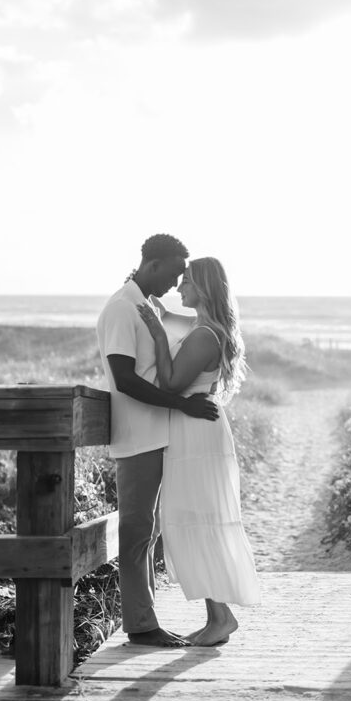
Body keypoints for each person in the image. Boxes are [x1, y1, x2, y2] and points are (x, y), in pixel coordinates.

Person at [96, 234, 219, 649]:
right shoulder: (121, 308)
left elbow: (195, 333)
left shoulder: (149, 306)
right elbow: (125, 379)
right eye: (173, 272)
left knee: (146, 533)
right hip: (136, 434)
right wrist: (181, 406)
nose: (176, 280)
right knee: (135, 533)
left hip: (157, 432)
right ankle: (141, 626)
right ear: (152, 264)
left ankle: (145, 619)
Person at [138, 256, 260, 647]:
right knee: (195, 517)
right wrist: (158, 313)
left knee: (197, 518)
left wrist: (157, 335)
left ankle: (221, 616)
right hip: (196, 428)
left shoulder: (206, 334)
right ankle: (217, 617)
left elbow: (172, 383)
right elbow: (176, 323)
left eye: (186, 281)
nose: (178, 288)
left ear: (203, 287)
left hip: (195, 430)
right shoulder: (202, 328)